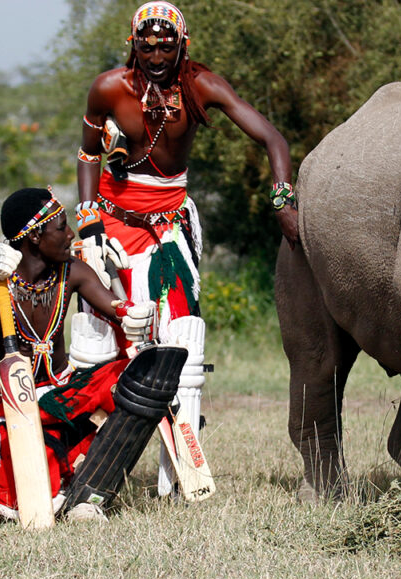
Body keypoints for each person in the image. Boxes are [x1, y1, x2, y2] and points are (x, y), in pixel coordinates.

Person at [73, 1, 299, 495]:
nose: (156, 53)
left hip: (170, 228)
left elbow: (272, 139)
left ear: (183, 44)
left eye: (167, 43)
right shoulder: (109, 88)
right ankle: (81, 465)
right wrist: (88, 220)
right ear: (133, 43)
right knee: (95, 345)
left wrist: (283, 199)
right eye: (147, 44)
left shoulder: (201, 86)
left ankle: (177, 479)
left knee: (183, 343)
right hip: (110, 226)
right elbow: (89, 154)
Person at [0, 187, 176, 523]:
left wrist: (134, 313)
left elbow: (115, 307)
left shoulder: (71, 272)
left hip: (63, 396)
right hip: (11, 409)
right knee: (29, 486)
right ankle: (62, 480)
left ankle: (90, 494)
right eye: (61, 227)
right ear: (35, 236)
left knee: (135, 376)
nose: (70, 234)